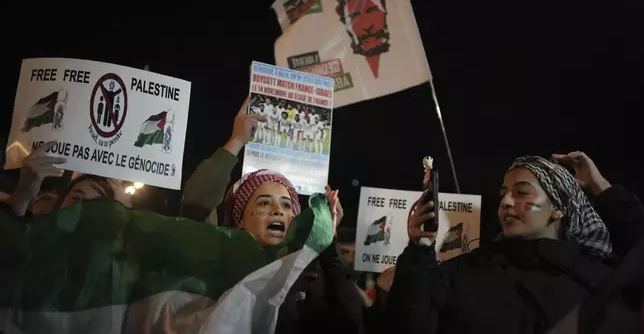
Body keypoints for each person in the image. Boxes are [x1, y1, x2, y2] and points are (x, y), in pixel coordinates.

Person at [386, 153, 644, 334]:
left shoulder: (599, 283)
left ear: (558, 208)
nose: (506, 202)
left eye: (521, 193)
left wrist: (602, 188)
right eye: (503, 195)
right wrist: (419, 254)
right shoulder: (461, 273)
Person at [218, 171, 363, 334]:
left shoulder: (310, 277)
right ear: (240, 220)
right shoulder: (220, 271)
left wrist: (328, 243)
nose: (278, 210)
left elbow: (349, 326)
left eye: (286, 205)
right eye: (264, 203)